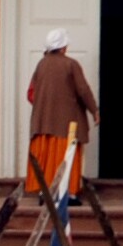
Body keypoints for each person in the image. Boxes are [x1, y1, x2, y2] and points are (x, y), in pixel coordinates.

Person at [22, 27, 94, 200]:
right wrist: (94, 110)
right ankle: (67, 192)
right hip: (67, 124)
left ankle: (44, 190)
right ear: (63, 47)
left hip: (42, 122)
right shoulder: (71, 64)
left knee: (45, 156)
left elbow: (31, 93)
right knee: (65, 154)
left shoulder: (41, 64)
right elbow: (83, 90)